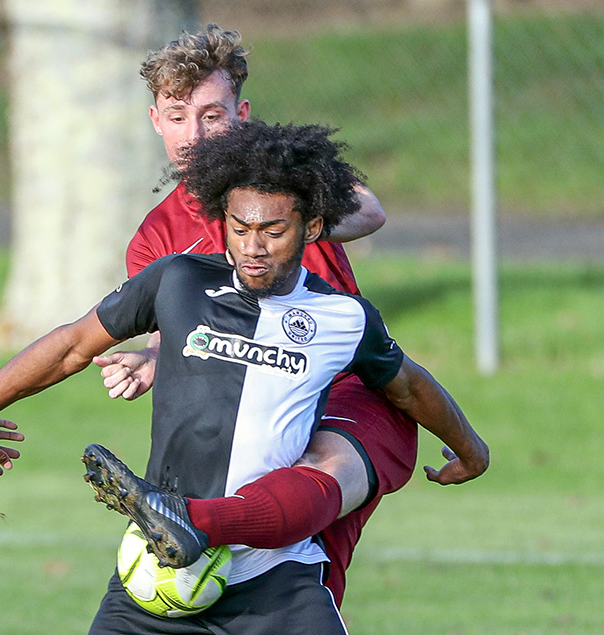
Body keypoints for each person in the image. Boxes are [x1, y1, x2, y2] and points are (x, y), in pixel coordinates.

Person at [0, 120, 489, 634]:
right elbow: (73, 345)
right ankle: (177, 519)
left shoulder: (344, 318)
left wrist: (471, 451)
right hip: (161, 577)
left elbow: (409, 387)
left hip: (275, 581)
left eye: (273, 230)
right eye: (240, 228)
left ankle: (195, 518)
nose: (253, 247)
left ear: (312, 228)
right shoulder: (177, 281)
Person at [91, 23, 459, 606]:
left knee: (311, 534)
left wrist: (279, 216)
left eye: (212, 115)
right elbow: (179, 336)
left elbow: (370, 211)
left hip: (346, 393)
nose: (195, 134)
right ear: (156, 120)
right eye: (178, 115)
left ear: (242, 113)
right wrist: (151, 357)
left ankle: (200, 528)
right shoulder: (157, 240)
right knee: (262, 575)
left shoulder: (286, 177)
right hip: (258, 410)